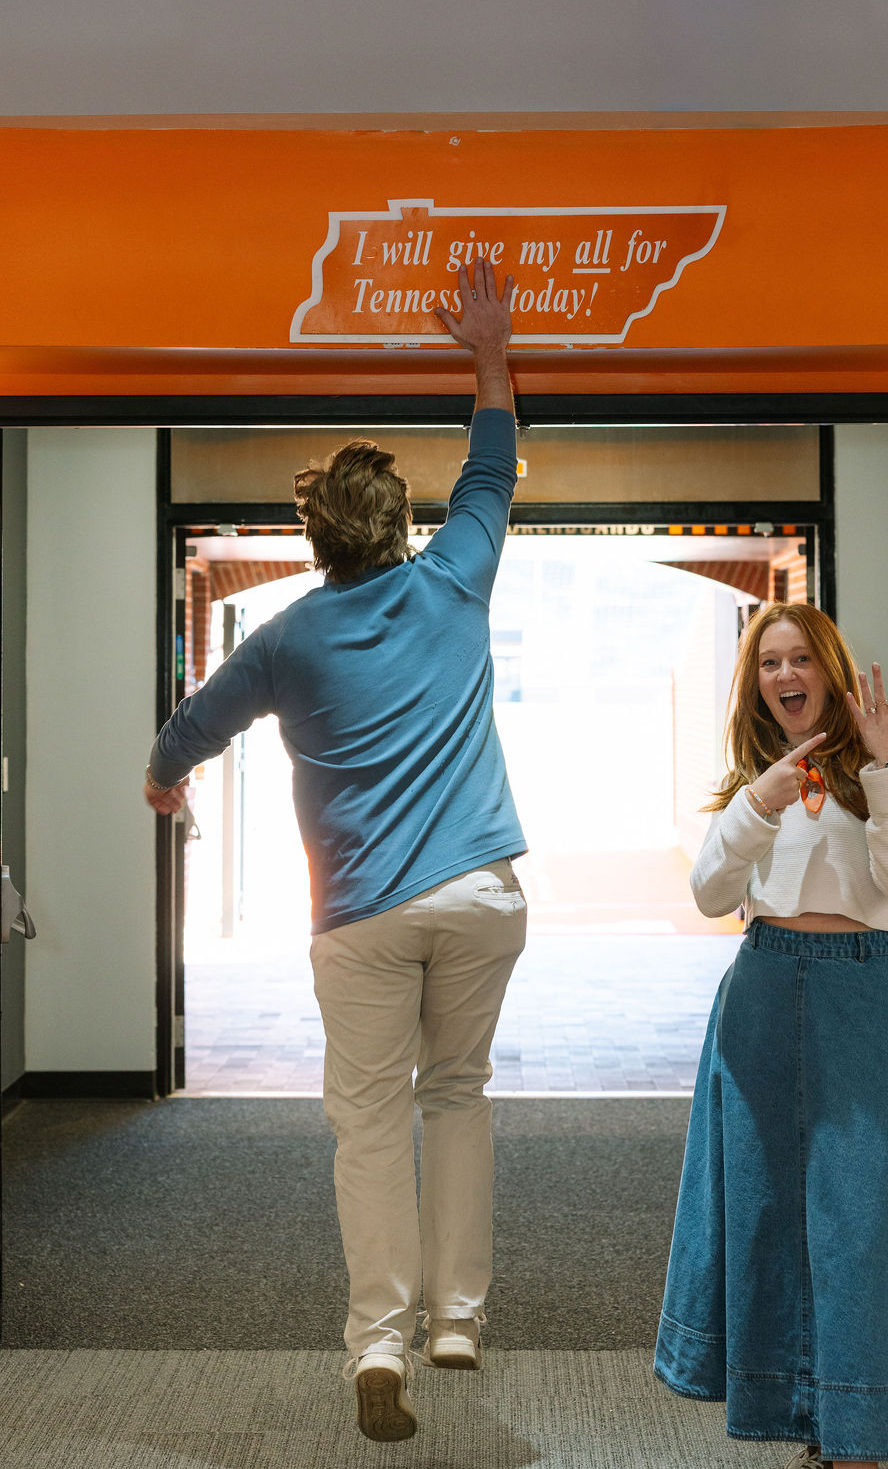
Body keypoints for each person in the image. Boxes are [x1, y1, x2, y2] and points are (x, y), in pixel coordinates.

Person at [144, 259, 528, 1443]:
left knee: (368, 1125)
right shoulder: (455, 576)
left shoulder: (282, 637)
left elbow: (187, 729)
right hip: (478, 892)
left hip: (360, 916)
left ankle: (378, 1341)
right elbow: (492, 459)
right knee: (456, 1093)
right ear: (403, 528)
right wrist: (486, 349)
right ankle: (457, 1316)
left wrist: (163, 783)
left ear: (310, 536)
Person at [655, 602, 888, 1469]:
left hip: (866, 996)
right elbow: (707, 892)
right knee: (770, 1221)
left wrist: (886, 766)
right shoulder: (753, 776)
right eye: (769, 663)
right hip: (762, 995)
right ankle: (815, 1424)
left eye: (800, 658)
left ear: (830, 670)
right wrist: (757, 805)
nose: (784, 675)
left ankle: (863, 1435)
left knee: (864, 1223)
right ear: (755, 684)